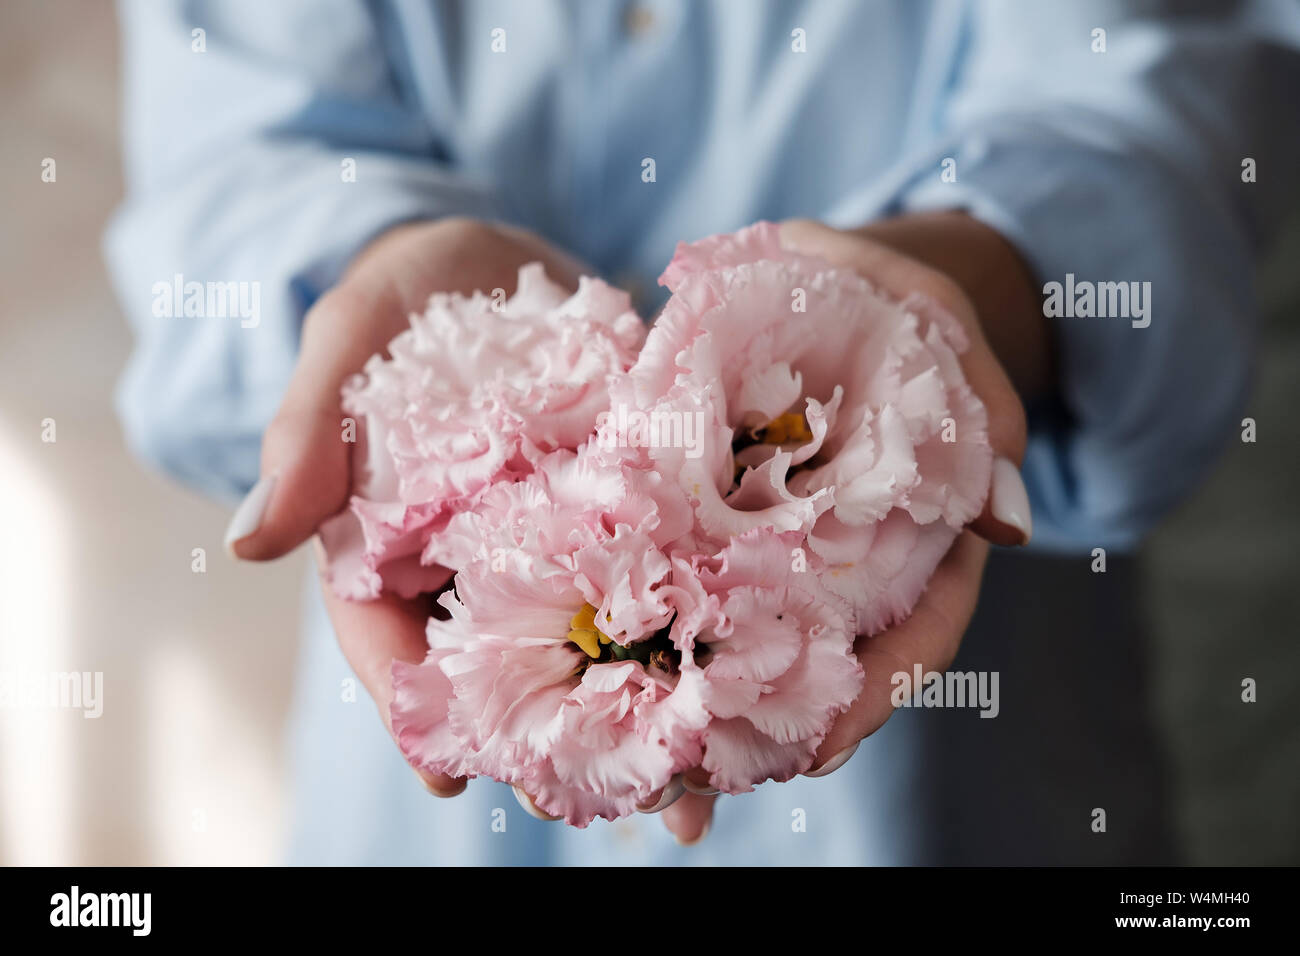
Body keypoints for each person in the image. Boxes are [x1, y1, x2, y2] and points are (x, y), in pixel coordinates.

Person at [105, 0, 1300, 864]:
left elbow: (1153, 110)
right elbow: (228, 165)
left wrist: (958, 303)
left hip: (960, 784)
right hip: (433, 803)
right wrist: (368, 292)